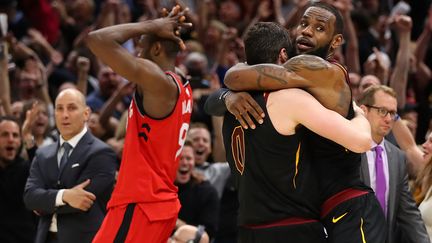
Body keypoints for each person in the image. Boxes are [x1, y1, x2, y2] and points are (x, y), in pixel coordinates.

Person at [206, 2, 387, 242]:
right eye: (303, 23)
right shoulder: (291, 87)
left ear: (336, 42)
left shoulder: (320, 70)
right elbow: (221, 93)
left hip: (348, 204)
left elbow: (235, 76)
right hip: (319, 211)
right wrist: (228, 95)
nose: (307, 31)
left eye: (319, 28)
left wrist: (230, 84)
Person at [85, 6, 193, 243]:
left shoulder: (158, 83)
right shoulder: (182, 87)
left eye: (140, 46)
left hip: (141, 204)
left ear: (155, 49)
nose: (134, 51)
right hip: (154, 204)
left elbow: (97, 39)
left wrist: (152, 25)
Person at [23, 88, 117, 243]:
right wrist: (64, 196)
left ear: (86, 113)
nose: (65, 115)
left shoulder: (102, 153)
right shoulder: (42, 154)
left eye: (72, 108)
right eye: (59, 108)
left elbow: (83, 201)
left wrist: (44, 203)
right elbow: (29, 197)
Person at [357, 85, 430, 243]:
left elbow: (407, 211)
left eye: (393, 113)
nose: (389, 119)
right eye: (382, 111)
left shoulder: (397, 157)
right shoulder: (348, 149)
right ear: (364, 110)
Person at [0, 116, 37, 243]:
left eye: (15, 135)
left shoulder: (26, 169)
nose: (10, 140)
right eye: (5, 135)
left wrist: (27, 136)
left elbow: (42, 171)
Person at [176, 141, 219, 239]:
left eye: (189, 158)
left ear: (194, 161)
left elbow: (207, 233)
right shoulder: (161, 190)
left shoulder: (207, 192)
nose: (185, 163)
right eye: (180, 158)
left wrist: (176, 223)